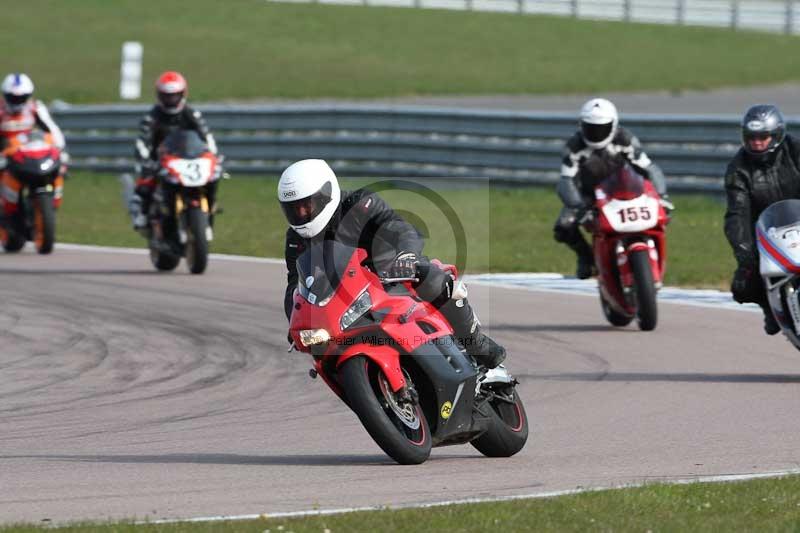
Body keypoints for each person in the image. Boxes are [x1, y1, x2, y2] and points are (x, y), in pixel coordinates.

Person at [278, 158, 506, 369]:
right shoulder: (296, 240)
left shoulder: (359, 204)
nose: (301, 214)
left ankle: (476, 343)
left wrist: (406, 256)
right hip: (349, 302)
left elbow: (399, 227)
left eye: (306, 206)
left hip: (394, 276)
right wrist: (295, 320)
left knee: (433, 279)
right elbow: (294, 286)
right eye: (293, 209)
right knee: (322, 351)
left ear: (326, 194)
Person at [554, 97, 671, 279]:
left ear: (614, 125)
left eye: (601, 128)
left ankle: (651, 259)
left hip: (624, 190)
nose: (596, 132)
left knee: (659, 217)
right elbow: (566, 181)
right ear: (581, 125)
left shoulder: (625, 140)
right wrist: (577, 206)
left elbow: (649, 168)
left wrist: (661, 195)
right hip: (588, 195)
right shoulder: (574, 147)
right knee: (564, 226)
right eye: (590, 127)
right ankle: (586, 258)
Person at [724, 104, 800, 335]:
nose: (757, 142)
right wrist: (744, 252)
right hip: (768, 231)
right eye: (752, 137)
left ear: (776, 135)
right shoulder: (738, 169)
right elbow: (737, 213)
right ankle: (770, 308)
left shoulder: (795, 150)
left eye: (763, 137)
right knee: (744, 285)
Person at [129, 71, 219, 229]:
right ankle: (141, 214)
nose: (171, 100)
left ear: (183, 94)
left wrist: (212, 154)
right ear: (159, 95)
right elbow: (141, 142)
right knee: (145, 183)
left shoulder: (191, 114)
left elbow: (207, 136)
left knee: (213, 176)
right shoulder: (152, 117)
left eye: (175, 95)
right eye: (167, 96)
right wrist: (147, 160)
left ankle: (210, 208)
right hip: (161, 160)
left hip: (188, 158)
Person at [0, 73, 68, 216]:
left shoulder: (35, 108)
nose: (17, 101)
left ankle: (48, 204)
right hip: (6, 157)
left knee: (58, 169)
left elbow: (52, 129)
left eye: (21, 97)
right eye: (13, 98)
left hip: (29, 156)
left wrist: (60, 149)